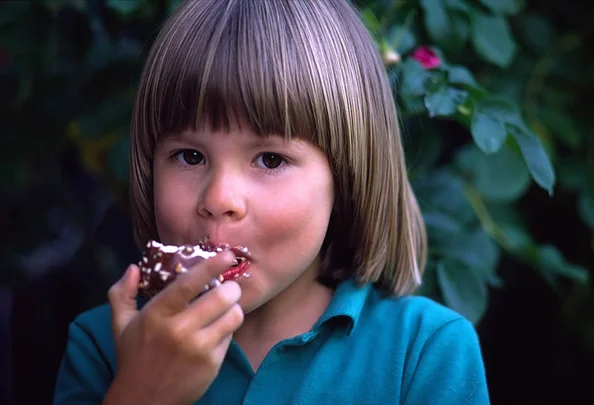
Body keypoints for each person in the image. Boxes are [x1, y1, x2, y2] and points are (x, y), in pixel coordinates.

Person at [53, 0, 490, 403]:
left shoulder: (425, 351)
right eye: (190, 156)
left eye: (270, 159)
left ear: (347, 177)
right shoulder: (106, 346)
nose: (219, 199)